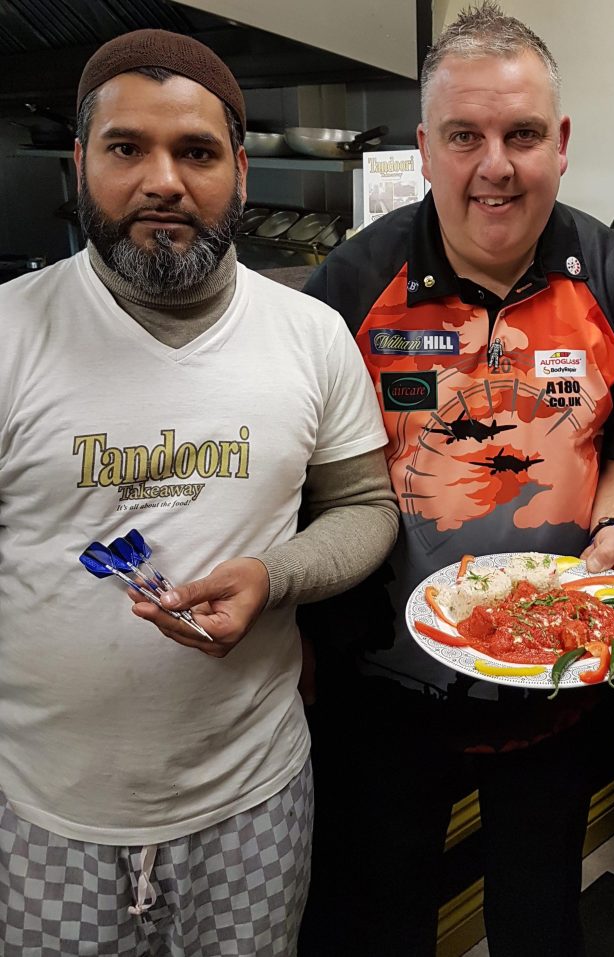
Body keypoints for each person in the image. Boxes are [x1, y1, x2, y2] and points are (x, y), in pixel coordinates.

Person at [0, 29, 398, 957]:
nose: (163, 181)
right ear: (82, 161)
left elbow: (366, 508)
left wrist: (275, 574)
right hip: (47, 809)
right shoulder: (12, 334)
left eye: (197, 151)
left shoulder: (309, 334)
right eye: (127, 147)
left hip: (251, 799)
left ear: (241, 172)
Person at [298, 3, 614, 955]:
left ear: (564, 144)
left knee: (539, 924)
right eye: (465, 135)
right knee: (377, 927)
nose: (494, 165)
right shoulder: (347, 288)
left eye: (522, 134)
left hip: (554, 688)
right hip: (382, 695)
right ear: (425, 148)